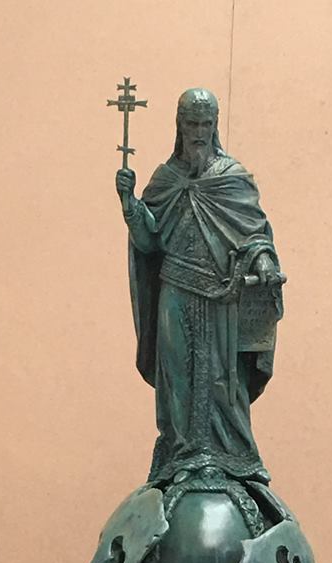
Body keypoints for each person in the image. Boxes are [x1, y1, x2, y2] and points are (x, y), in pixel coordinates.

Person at [116, 88, 284, 484]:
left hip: (219, 295)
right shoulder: (165, 179)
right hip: (174, 290)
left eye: (206, 124)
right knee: (178, 379)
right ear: (179, 125)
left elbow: (254, 232)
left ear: (215, 126)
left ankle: (229, 457)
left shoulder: (231, 178)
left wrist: (262, 258)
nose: (198, 133)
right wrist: (130, 204)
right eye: (191, 124)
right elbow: (149, 242)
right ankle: (181, 456)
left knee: (222, 381)